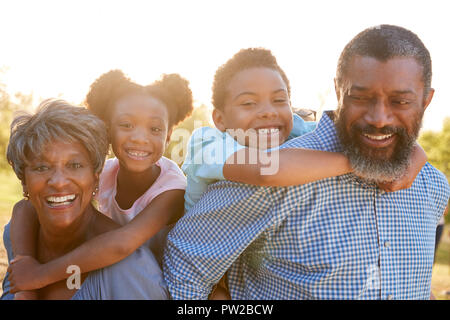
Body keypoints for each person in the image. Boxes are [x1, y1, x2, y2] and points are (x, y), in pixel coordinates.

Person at [163, 25, 450, 299]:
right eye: (360, 97)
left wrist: (413, 155)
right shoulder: (273, 170)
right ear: (338, 92)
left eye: (400, 101)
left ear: (426, 101)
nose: (379, 118)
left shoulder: (432, 185)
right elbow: (185, 266)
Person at [4, 70, 193, 298]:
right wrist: (25, 272)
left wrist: (39, 275)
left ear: (169, 135)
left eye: (154, 129)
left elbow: (121, 245)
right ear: (108, 129)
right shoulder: (105, 170)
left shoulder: (172, 187)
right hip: (106, 260)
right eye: (126, 125)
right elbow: (26, 208)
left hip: (157, 280)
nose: (140, 138)